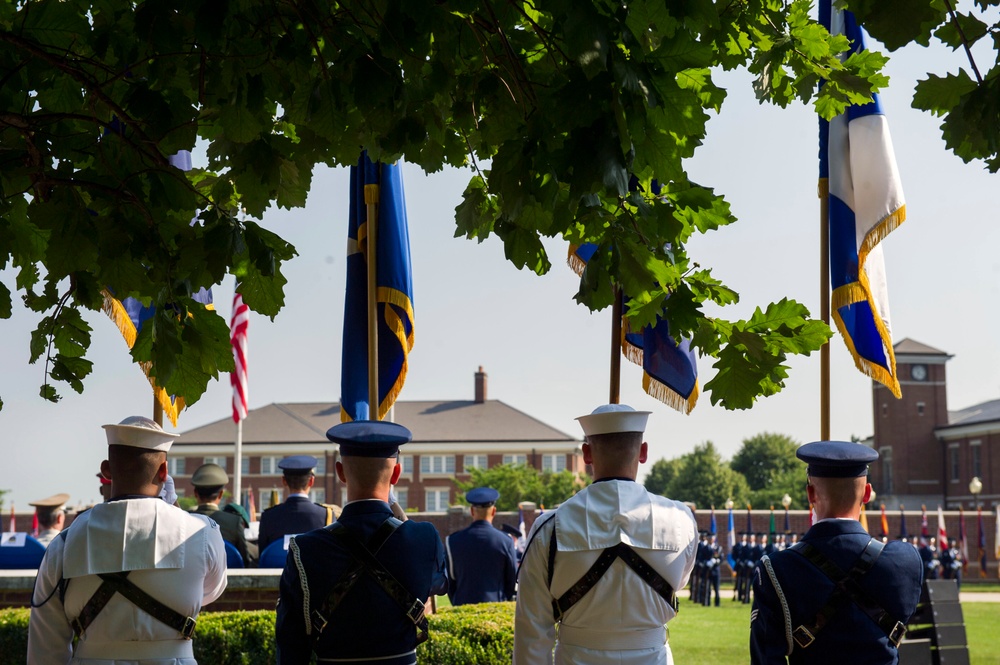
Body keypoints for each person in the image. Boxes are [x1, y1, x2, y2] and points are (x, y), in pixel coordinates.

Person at [28, 416, 227, 664]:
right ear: (164, 472)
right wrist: (176, 511)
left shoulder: (65, 544)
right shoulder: (202, 533)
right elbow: (208, 592)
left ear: (106, 469)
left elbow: (45, 650)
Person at [513, 404, 698, 665]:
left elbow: (531, 629)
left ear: (586, 453)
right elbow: (679, 582)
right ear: (643, 452)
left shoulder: (550, 527)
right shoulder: (681, 519)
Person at [275, 420, 447, 665]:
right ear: (396, 474)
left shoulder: (306, 548)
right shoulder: (424, 537)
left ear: (340, 472)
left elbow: (290, 643)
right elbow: (438, 585)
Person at [750, 441, 923, 665]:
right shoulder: (905, 560)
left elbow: (766, 659)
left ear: (811, 494)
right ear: (868, 493)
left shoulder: (778, 569)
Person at [445, 486, 517, 606]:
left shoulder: (452, 541)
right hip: (496, 609)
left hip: (462, 609)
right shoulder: (506, 541)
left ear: (472, 511)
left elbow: (450, 582)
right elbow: (511, 581)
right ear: (494, 511)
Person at [190, 463, 258, 567]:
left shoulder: (183, 519)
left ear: (195, 493)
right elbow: (244, 561)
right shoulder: (234, 522)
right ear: (221, 494)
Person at [257, 455, 328, 552]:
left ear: (284, 481)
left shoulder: (268, 517)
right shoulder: (325, 515)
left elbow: (263, 556)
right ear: (311, 481)